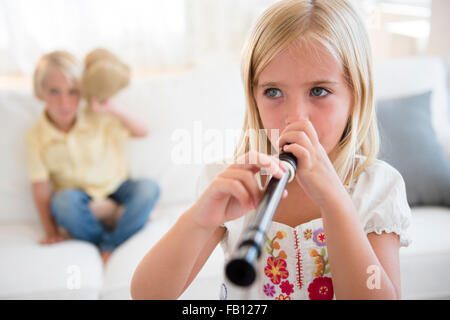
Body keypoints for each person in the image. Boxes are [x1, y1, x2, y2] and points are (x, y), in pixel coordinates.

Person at [130, 0, 411, 299]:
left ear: (356, 95)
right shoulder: (230, 181)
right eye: (273, 92)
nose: (295, 116)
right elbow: (147, 295)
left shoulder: (377, 187)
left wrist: (334, 201)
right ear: (254, 98)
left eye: (319, 91)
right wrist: (199, 220)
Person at [25, 50, 160, 264]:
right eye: (54, 92)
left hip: (116, 187)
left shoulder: (96, 116)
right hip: (80, 199)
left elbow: (143, 131)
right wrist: (51, 232)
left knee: (149, 189)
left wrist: (111, 108)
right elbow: (40, 187)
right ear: (40, 92)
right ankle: (100, 237)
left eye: (72, 92)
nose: (64, 101)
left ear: (82, 92)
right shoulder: (36, 137)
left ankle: (110, 242)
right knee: (62, 203)